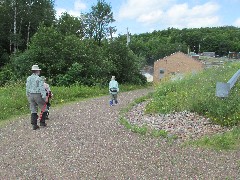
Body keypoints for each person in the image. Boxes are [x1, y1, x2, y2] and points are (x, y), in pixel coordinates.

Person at [26, 65, 47, 130]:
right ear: (37, 71)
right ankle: (42, 122)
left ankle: (34, 125)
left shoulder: (28, 78)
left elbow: (27, 87)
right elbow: (42, 88)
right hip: (37, 94)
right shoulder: (39, 78)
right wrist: (44, 97)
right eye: (39, 70)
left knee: (33, 109)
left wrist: (27, 95)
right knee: (44, 107)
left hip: (30, 94)